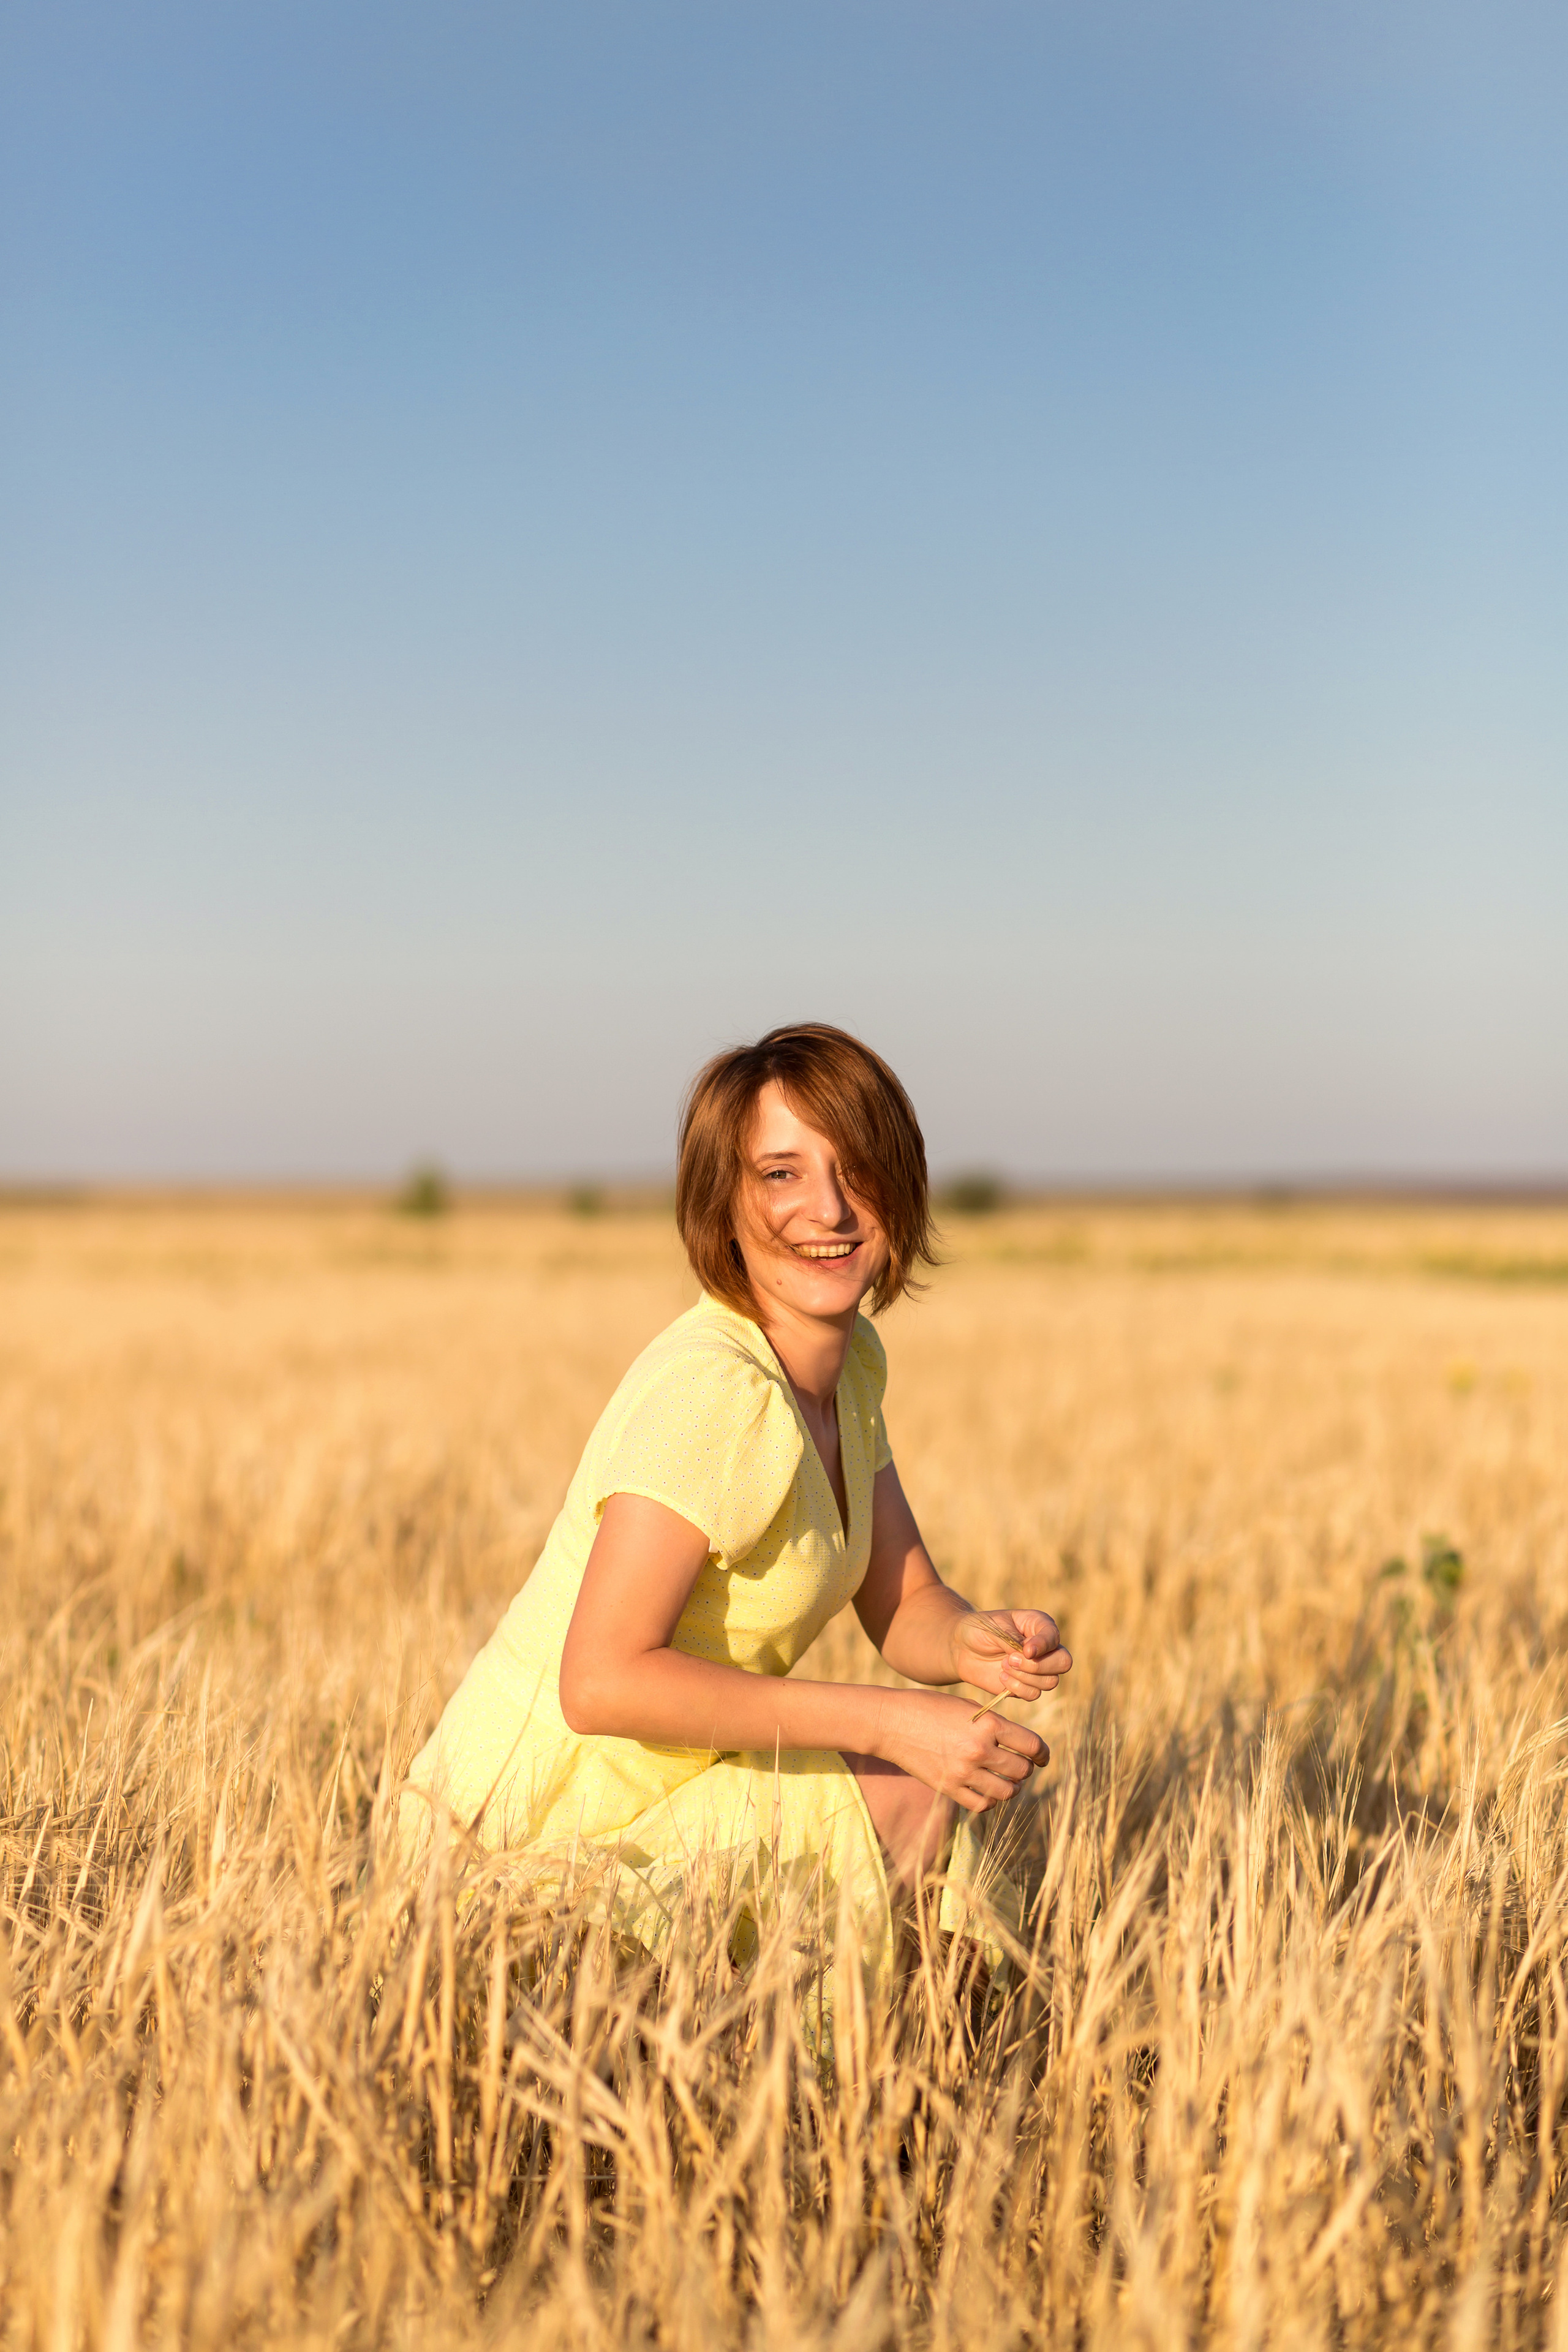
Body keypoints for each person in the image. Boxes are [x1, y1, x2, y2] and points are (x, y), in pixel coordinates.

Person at [401, 1023, 1072, 1997]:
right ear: (721, 1204)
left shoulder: (850, 1371)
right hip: (525, 1841)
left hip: (674, 1783)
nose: (830, 1210)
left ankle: (914, 2102)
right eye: (781, 1175)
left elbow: (902, 1597)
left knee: (927, 1803)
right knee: (910, 1799)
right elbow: (600, 1682)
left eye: (858, 1169)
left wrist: (974, 1641)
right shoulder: (716, 1392)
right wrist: (884, 1727)